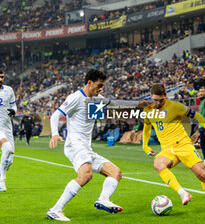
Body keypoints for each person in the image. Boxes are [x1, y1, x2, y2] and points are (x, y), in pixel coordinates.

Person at [47, 69, 146, 221]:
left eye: (102, 86)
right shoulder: (76, 97)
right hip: (75, 144)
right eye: (99, 86)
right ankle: (55, 209)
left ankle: (103, 199)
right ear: (89, 83)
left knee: (115, 173)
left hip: (86, 147)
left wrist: (138, 103)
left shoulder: (97, 99)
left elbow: (115, 103)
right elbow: (56, 115)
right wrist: (55, 133)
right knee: (86, 174)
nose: (101, 89)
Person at [142, 83, 205, 212]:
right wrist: (145, 146)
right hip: (168, 149)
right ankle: (182, 193)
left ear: (165, 96)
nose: (157, 103)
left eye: (160, 100)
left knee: (202, 174)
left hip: (184, 145)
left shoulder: (175, 107)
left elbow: (197, 115)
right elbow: (147, 127)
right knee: (158, 163)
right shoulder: (148, 110)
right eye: (155, 100)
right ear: (151, 96)